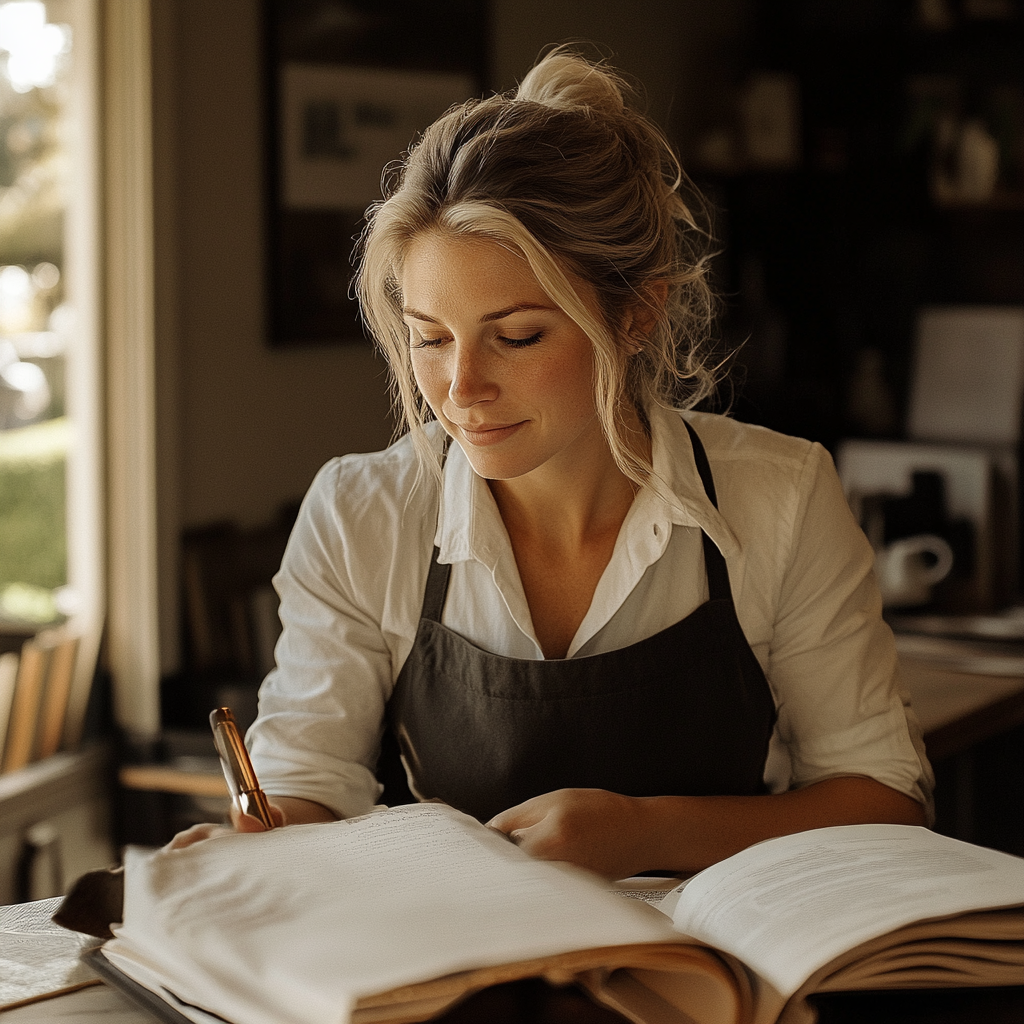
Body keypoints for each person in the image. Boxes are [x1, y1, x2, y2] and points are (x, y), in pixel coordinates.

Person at [175, 47, 933, 880]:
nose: (460, 389)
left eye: (519, 336)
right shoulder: (364, 512)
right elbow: (310, 783)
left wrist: (648, 834)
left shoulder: (781, 497)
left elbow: (883, 797)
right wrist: (267, 838)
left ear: (637, 312)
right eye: (430, 338)